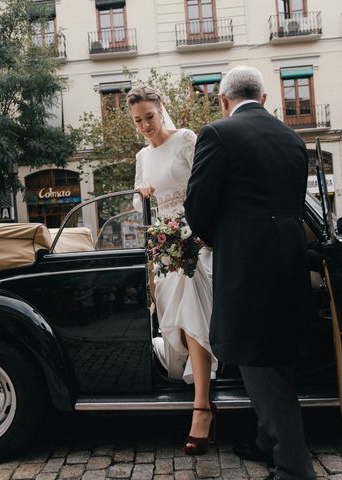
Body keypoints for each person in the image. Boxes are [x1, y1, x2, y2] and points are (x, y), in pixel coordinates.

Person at [184, 66, 315, 480]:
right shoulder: (292, 139)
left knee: (260, 363)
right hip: (290, 260)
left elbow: (198, 206)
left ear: (224, 101)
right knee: (275, 356)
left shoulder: (218, 133)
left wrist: (213, 239)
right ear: (263, 98)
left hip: (247, 263)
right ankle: (264, 441)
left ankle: (295, 467)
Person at [128, 85, 218, 456]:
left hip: (197, 240)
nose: (146, 125)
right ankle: (194, 387)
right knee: (173, 317)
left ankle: (201, 409)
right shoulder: (141, 156)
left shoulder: (186, 139)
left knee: (193, 305)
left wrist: (196, 233)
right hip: (164, 245)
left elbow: (206, 185)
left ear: (161, 108)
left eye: (149, 116)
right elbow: (137, 201)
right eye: (138, 121)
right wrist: (143, 191)